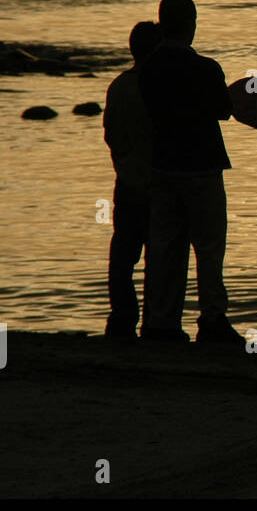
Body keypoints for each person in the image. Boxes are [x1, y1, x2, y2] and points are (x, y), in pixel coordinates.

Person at [138, 0, 243, 344]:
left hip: (164, 164)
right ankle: (212, 318)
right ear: (190, 24)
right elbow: (224, 110)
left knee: (166, 246)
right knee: (209, 247)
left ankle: (161, 321)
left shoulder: (149, 68)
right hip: (201, 164)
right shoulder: (205, 68)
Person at [102, 20, 162, 340]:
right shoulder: (159, 87)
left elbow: (111, 134)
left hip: (127, 178)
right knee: (158, 254)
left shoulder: (120, 85)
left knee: (123, 254)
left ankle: (122, 317)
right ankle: (154, 319)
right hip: (158, 183)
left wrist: (122, 163)